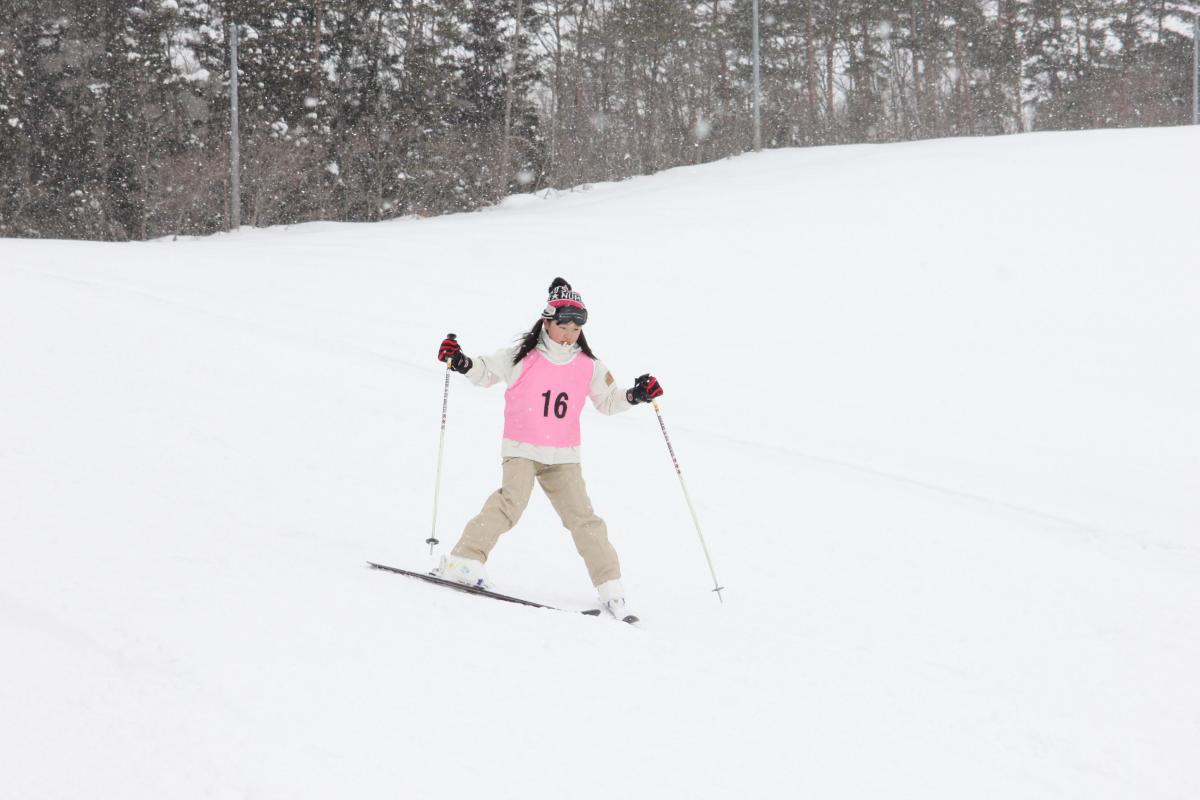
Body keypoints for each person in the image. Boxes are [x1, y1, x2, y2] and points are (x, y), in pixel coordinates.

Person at [432, 278, 663, 622]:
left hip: (564, 455)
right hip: (523, 446)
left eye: (575, 327)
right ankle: (464, 560)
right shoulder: (522, 357)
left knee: (585, 520)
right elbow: (483, 371)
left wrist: (636, 394)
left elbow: (608, 402)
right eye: (562, 325)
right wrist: (460, 361)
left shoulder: (589, 365)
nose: (569, 333)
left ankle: (611, 588)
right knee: (511, 503)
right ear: (547, 322)